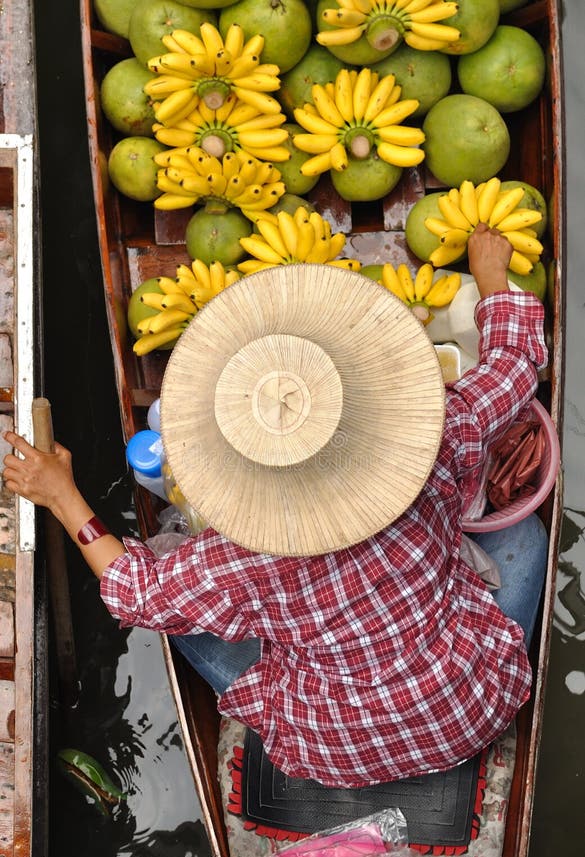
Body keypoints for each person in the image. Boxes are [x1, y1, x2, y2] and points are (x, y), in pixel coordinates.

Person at [2, 224, 549, 789]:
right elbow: (513, 366)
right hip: (477, 706)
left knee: (182, 619)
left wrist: (61, 496)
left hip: (335, 752)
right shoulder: (438, 437)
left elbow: (133, 592)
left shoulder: (237, 559)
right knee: (526, 536)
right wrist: (491, 276)